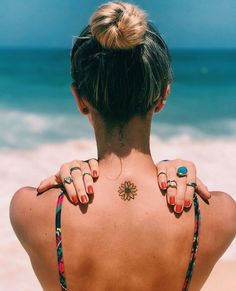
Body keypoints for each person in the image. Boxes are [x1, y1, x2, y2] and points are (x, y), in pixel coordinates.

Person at [10, 2, 236, 290]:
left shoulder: (31, 210)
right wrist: (172, 164)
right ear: (163, 97)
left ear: (79, 99)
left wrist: (56, 190)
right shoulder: (218, 215)